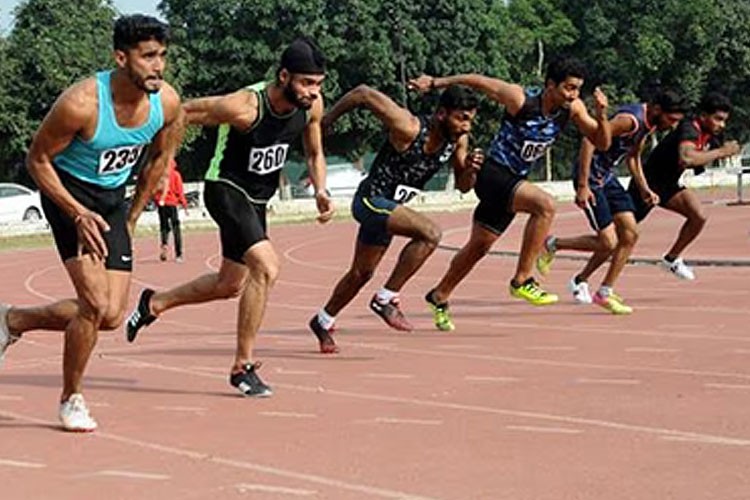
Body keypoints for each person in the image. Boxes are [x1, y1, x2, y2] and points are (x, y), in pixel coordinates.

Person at [0, 15, 182, 432]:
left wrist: (133, 216)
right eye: (148, 56)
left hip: (113, 201)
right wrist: (77, 213)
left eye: (163, 56)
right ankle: (71, 399)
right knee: (95, 304)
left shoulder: (166, 102)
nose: (158, 66)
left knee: (112, 315)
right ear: (121, 57)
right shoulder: (82, 103)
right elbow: (37, 161)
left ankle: (13, 321)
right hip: (69, 196)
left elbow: (159, 159)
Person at [125, 38, 334, 396]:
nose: (313, 92)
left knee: (229, 284)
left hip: (257, 199)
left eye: (318, 84)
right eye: (306, 83)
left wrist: (320, 190)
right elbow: (182, 112)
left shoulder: (310, 106)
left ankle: (153, 303)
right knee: (267, 267)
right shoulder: (245, 106)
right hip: (225, 188)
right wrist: (164, 163)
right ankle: (243, 367)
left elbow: (314, 152)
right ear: (283, 76)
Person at [408, 57, 611, 331]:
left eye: (577, 89)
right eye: (569, 88)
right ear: (550, 85)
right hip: (493, 173)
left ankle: (439, 295)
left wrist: (600, 115)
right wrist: (434, 83)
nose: (573, 95)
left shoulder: (572, 109)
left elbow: (602, 142)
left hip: (513, 181)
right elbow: (477, 81)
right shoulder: (520, 99)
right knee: (545, 206)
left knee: (478, 247)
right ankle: (522, 280)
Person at [308, 84, 482, 352]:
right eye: (462, 118)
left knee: (360, 274)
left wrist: (470, 169)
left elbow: (463, 186)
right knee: (431, 233)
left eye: (470, 120)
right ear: (441, 114)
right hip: (370, 201)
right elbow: (363, 93)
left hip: (390, 210)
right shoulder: (409, 127)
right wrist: (326, 121)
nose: (466, 127)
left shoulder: (457, 140)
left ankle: (323, 320)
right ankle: (386, 298)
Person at [536, 89, 688, 313]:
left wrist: (645, 188)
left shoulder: (650, 123)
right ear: (658, 110)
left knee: (630, 234)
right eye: (672, 120)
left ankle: (605, 292)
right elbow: (590, 140)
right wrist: (583, 185)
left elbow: (633, 157)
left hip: (607, 177)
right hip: (591, 179)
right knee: (608, 242)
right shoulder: (630, 121)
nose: (673, 126)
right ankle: (553, 244)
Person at [626, 91, 739, 280]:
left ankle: (671, 259)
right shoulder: (690, 128)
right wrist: (721, 152)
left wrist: (724, 148)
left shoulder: (710, 132)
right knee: (615, 238)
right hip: (647, 184)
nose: (722, 125)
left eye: (724, 120)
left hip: (669, 185)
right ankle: (562, 247)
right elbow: (687, 157)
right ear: (703, 116)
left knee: (699, 215)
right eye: (718, 119)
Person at [154, 158, 188, 262]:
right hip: (172, 203)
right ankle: (178, 254)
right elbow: (180, 191)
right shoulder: (176, 175)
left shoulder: (160, 175)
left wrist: (157, 201)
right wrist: (184, 205)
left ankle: (164, 244)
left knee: (164, 227)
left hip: (162, 204)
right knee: (176, 228)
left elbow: (156, 190)